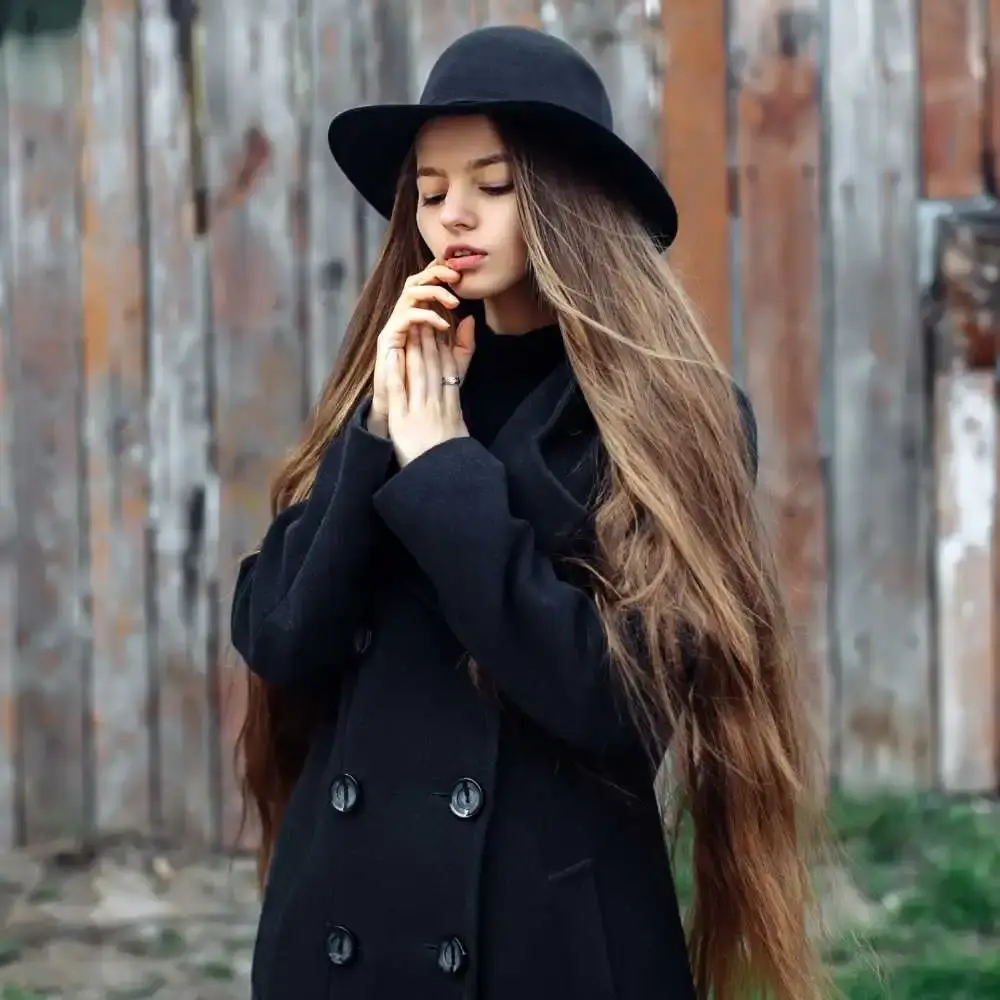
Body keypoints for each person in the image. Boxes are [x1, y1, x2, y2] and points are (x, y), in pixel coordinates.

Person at [231, 24, 828, 1000]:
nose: (452, 216)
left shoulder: (671, 417)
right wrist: (381, 434)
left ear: (566, 201)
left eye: (493, 185)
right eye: (429, 191)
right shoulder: (399, 378)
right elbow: (281, 636)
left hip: (544, 942)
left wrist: (443, 467)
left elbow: (615, 702)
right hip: (342, 935)